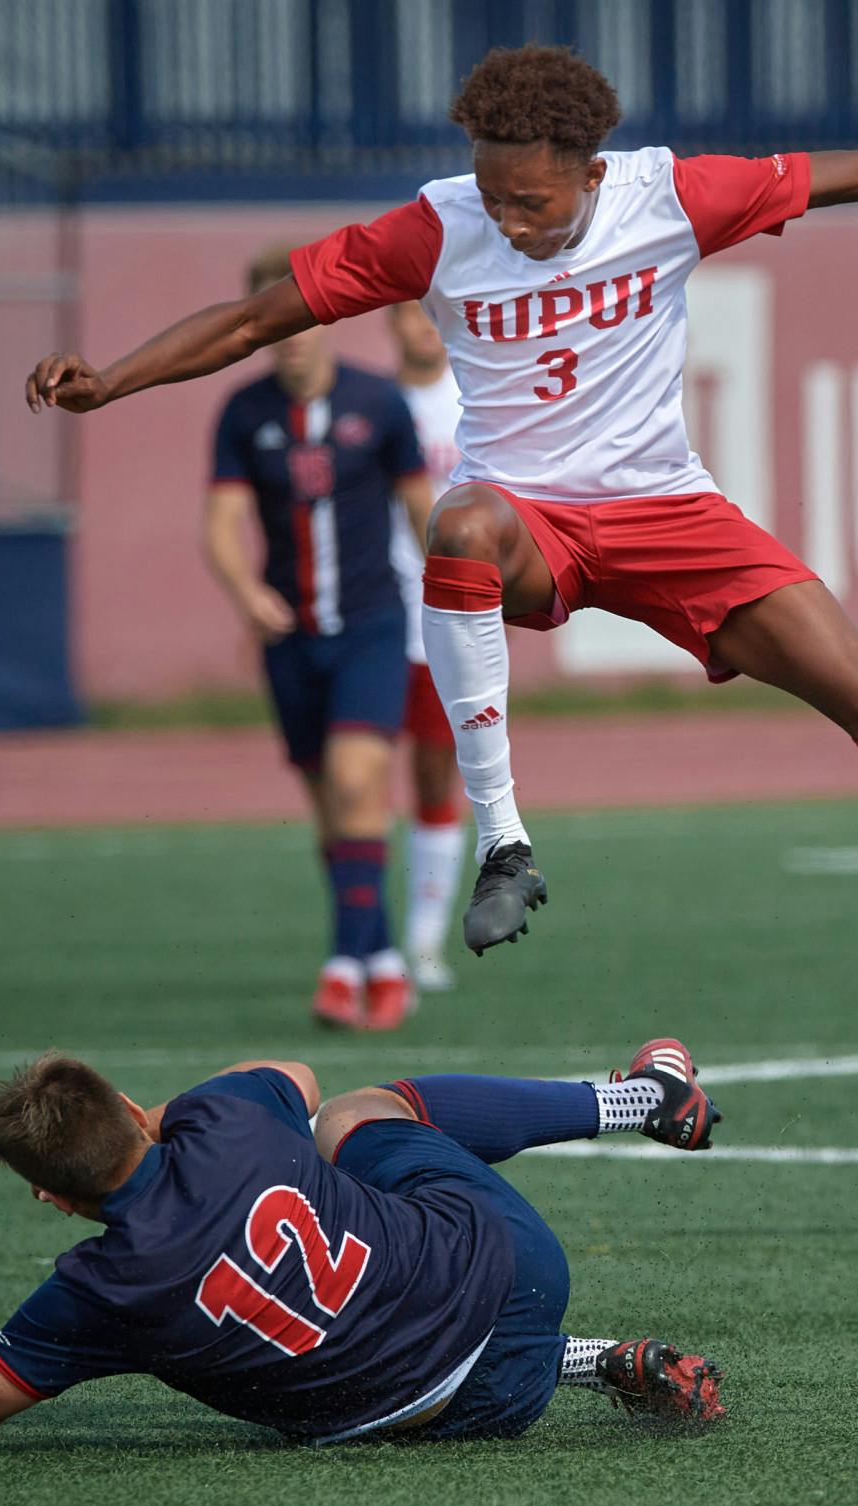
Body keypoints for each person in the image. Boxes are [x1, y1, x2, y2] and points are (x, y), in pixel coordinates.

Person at [26, 44, 858, 1048]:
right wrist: (112, 379)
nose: (508, 221)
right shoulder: (435, 226)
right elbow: (256, 316)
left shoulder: (671, 195)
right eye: (492, 195)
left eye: (529, 201)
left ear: (588, 166)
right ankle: (505, 843)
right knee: (458, 522)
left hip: (669, 512)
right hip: (529, 522)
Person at [0, 1040, 725, 1453]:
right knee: (350, 1115)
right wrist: (170, 1116)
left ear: (51, 1195)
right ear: (131, 1111)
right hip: (514, 1274)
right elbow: (294, 1078)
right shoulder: (221, 1120)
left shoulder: (95, 1290)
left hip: (457, 1416)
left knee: (357, 1348)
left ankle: (599, 1355)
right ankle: (640, 1102)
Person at [202, 246, 437, 1031]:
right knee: (330, 808)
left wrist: (457, 588)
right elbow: (222, 524)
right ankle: (384, 959)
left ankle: (342, 968)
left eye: (303, 316)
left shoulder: (381, 403)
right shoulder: (244, 413)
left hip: (373, 625)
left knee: (353, 778)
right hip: (291, 639)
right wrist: (245, 593)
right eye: (276, 320)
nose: (292, 334)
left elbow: (419, 509)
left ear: (329, 316)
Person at [385, 298, 469, 993]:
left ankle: (425, 941)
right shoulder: (375, 408)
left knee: (437, 776)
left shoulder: (477, 401)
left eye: (433, 314)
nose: (423, 328)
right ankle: (366, 945)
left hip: (448, 616)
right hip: (374, 617)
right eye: (411, 315)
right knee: (353, 777)